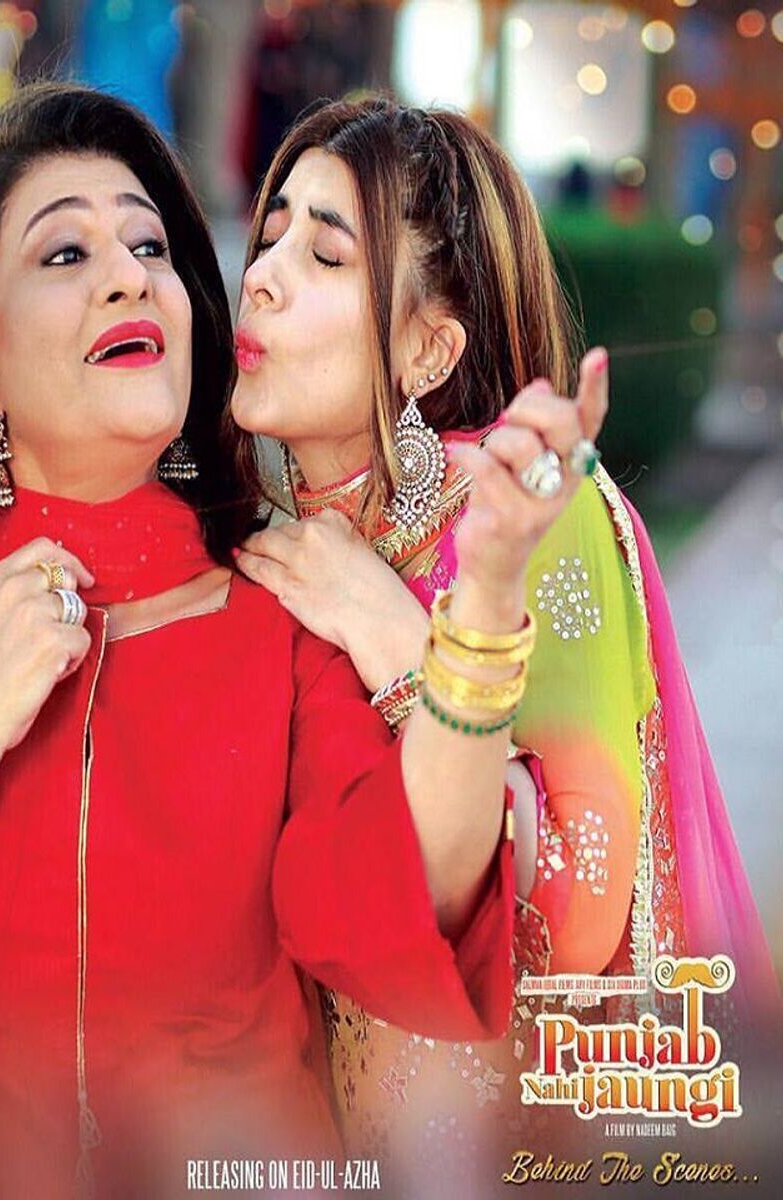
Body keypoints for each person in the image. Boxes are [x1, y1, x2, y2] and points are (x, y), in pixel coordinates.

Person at [0, 83, 604, 1199]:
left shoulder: (279, 618)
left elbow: (418, 903)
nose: (130, 275)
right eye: (64, 254)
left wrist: (488, 596)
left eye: (150, 246)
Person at [225, 96, 780, 1193]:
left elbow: (575, 910)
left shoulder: (527, 518)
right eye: (269, 236)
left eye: (324, 256)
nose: (263, 277)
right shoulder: (263, 538)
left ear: (429, 349)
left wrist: (405, 652)